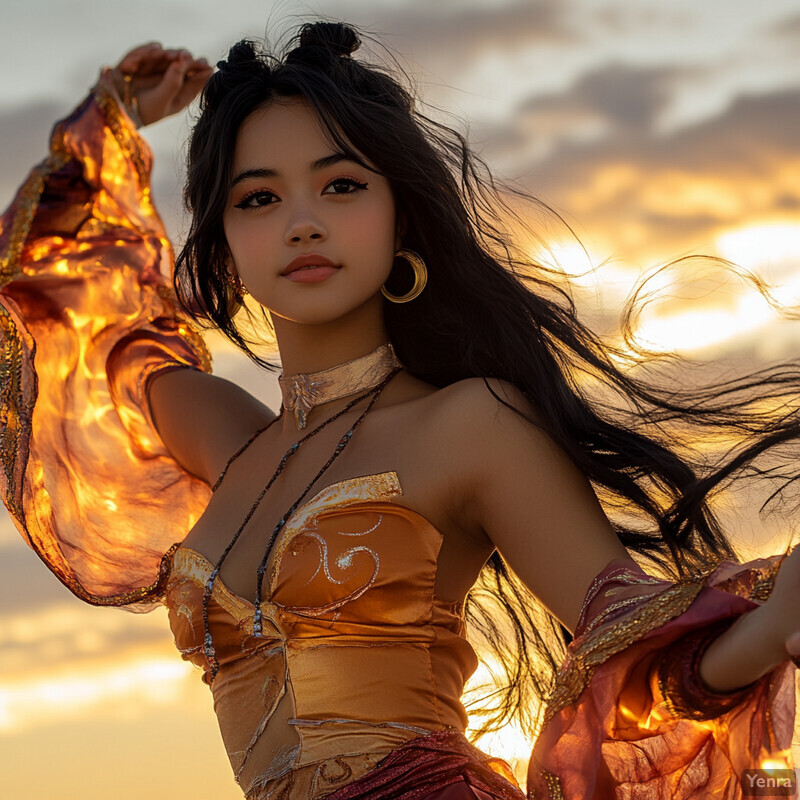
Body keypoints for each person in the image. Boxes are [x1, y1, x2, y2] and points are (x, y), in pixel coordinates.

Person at [0, 21, 798, 800]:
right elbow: (75, 333)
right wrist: (107, 128)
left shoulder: (470, 425)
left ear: (400, 215)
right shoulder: (228, 440)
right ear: (223, 248)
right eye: (258, 198)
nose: (302, 221)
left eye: (341, 185)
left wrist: (764, 636)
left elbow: (625, 640)